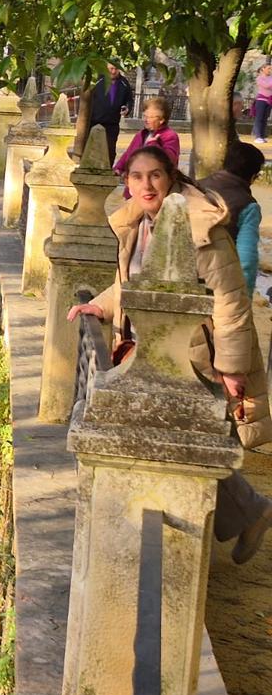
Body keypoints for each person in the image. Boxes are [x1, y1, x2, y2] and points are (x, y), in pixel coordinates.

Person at [69, 145, 272, 562]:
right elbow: (134, 282)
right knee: (185, 434)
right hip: (163, 345)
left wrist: (232, 368)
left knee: (192, 434)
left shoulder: (201, 229)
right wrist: (102, 306)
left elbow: (231, 301)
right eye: (137, 177)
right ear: (126, 183)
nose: (146, 185)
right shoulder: (142, 222)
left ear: (172, 177)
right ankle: (247, 512)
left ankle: (230, 519)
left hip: (200, 351)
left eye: (155, 176)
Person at [200, 141, 265, 295]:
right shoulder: (248, 206)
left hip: (180, 278)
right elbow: (246, 261)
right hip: (219, 286)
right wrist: (244, 298)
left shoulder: (194, 187)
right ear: (253, 176)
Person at [113, 96, 179, 197]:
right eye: (145, 116)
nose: (146, 120)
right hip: (135, 187)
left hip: (154, 190)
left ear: (161, 120)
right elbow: (129, 154)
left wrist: (155, 146)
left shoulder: (170, 136)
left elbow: (170, 160)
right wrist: (119, 168)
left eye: (151, 117)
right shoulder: (141, 134)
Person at [88, 60, 134, 163]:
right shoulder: (97, 80)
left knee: (110, 150)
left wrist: (127, 109)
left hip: (112, 124)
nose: (113, 72)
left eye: (116, 69)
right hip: (95, 121)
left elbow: (129, 100)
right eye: (111, 69)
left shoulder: (124, 83)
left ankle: (108, 171)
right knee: (92, 149)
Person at [253, 63, 272, 144]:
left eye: (271, 68)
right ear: (263, 69)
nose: (270, 70)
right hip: (261, 100)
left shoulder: (271, 78)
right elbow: (266, 86)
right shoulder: (259, 78)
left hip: (269, 100)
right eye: (268, 68)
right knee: (259, 118)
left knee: (265, 119)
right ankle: (257, 136)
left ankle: (262, 136)